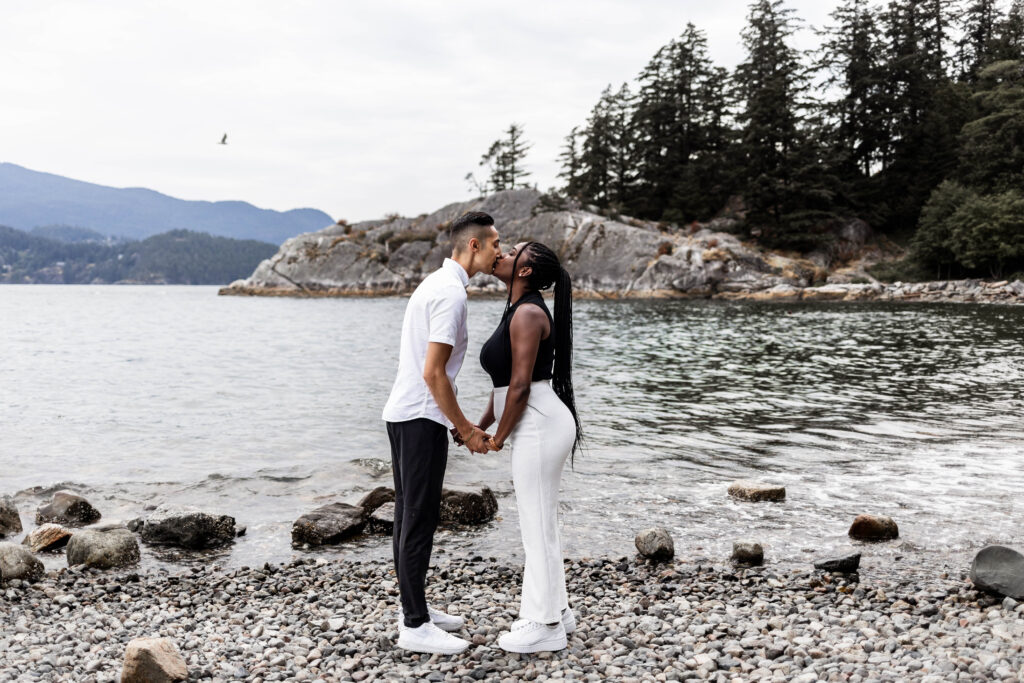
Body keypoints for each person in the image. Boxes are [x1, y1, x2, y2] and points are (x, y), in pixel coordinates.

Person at [381, 211, 501, 655]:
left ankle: (415, 609)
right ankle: (414, 625)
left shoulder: (437, 284)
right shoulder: (450, 294)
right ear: (474, 245)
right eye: (495, 245)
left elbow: (432, 373)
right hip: (419, 417)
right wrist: (466, 428)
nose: (499, 253)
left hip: (406, 413)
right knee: (418, 521)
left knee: (407, 517)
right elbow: (434, 374)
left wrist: (459, 421)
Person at [475, 241, 584, 654]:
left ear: (525, 270)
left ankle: (545, 624)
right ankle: (559, 608)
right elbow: (503, 384)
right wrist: (477, 425)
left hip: (538, 424)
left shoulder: (529, 313)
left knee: (535, 524)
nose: (503, 252)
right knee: (542, 521)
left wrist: (499, 438)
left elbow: (521, 387)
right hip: (534, 421)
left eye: (513, 250)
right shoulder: (518, 309)